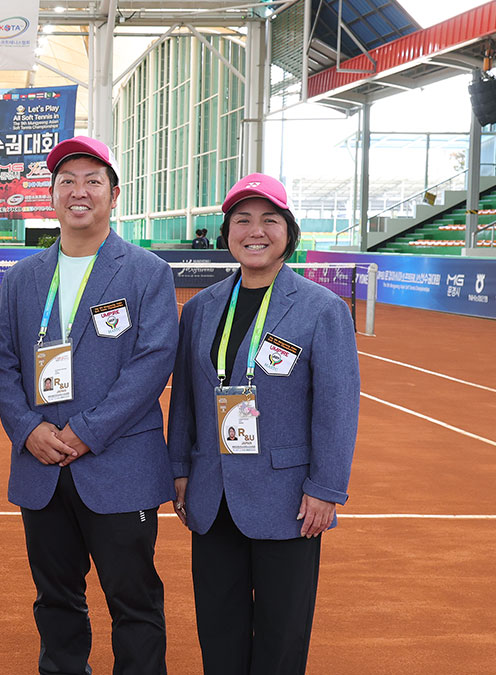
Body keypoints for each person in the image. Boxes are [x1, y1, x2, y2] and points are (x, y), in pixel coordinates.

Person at [0, 135, 177, 675]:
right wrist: (28, 430)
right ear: (51, 195)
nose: (79, 191)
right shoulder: (23, 277)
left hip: (119, 465)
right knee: (55, 599)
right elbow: (1, 363)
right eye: (66, 181)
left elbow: (152, 363)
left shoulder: (147, 271)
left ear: (113, 195)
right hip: (42, 465)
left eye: (93, 181)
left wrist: (87, 432)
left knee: (133, 602)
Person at [168, 173, 360, 675]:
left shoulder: (322, 309)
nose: (255, 231)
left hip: (288, 499)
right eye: (243, 220)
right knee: (219, 629)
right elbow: (185, 397)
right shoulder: (201, 308)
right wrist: (180, 468)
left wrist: (326, 489)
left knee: (281, 636)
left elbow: (337, 407)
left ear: (288, 232)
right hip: (213, 493)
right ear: (228, 232)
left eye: (269, 220)